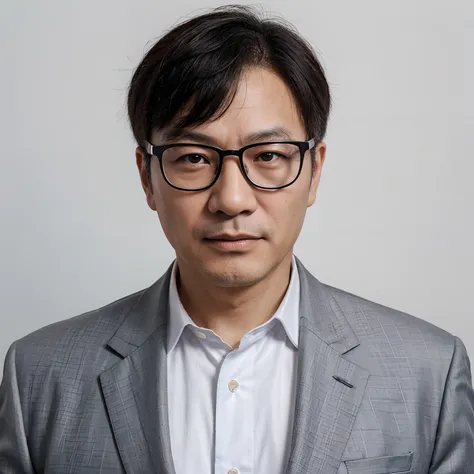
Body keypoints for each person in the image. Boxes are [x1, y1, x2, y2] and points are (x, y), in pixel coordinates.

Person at [1, 5, 473, 474]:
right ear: (147, 177)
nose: (231, 199)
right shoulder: (38, 377)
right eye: (194, 158)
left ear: (314, 172)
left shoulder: (427, 372)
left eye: (268, 155)